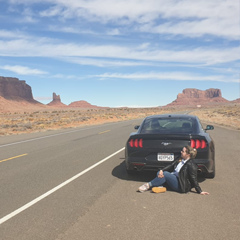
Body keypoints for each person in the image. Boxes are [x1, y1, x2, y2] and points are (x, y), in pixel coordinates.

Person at [138, 146, 209, 195]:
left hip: (181, 185)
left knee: (165, 174)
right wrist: (161, 170)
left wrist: (200, 191)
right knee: (159, 173)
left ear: (188, 154)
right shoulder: (180, 158)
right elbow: (171, 165)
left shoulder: (191, 164)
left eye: (183, 151)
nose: (181, 152)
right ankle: (161, 187)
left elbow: (194, 178)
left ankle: (148, 185)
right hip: (174, 178)